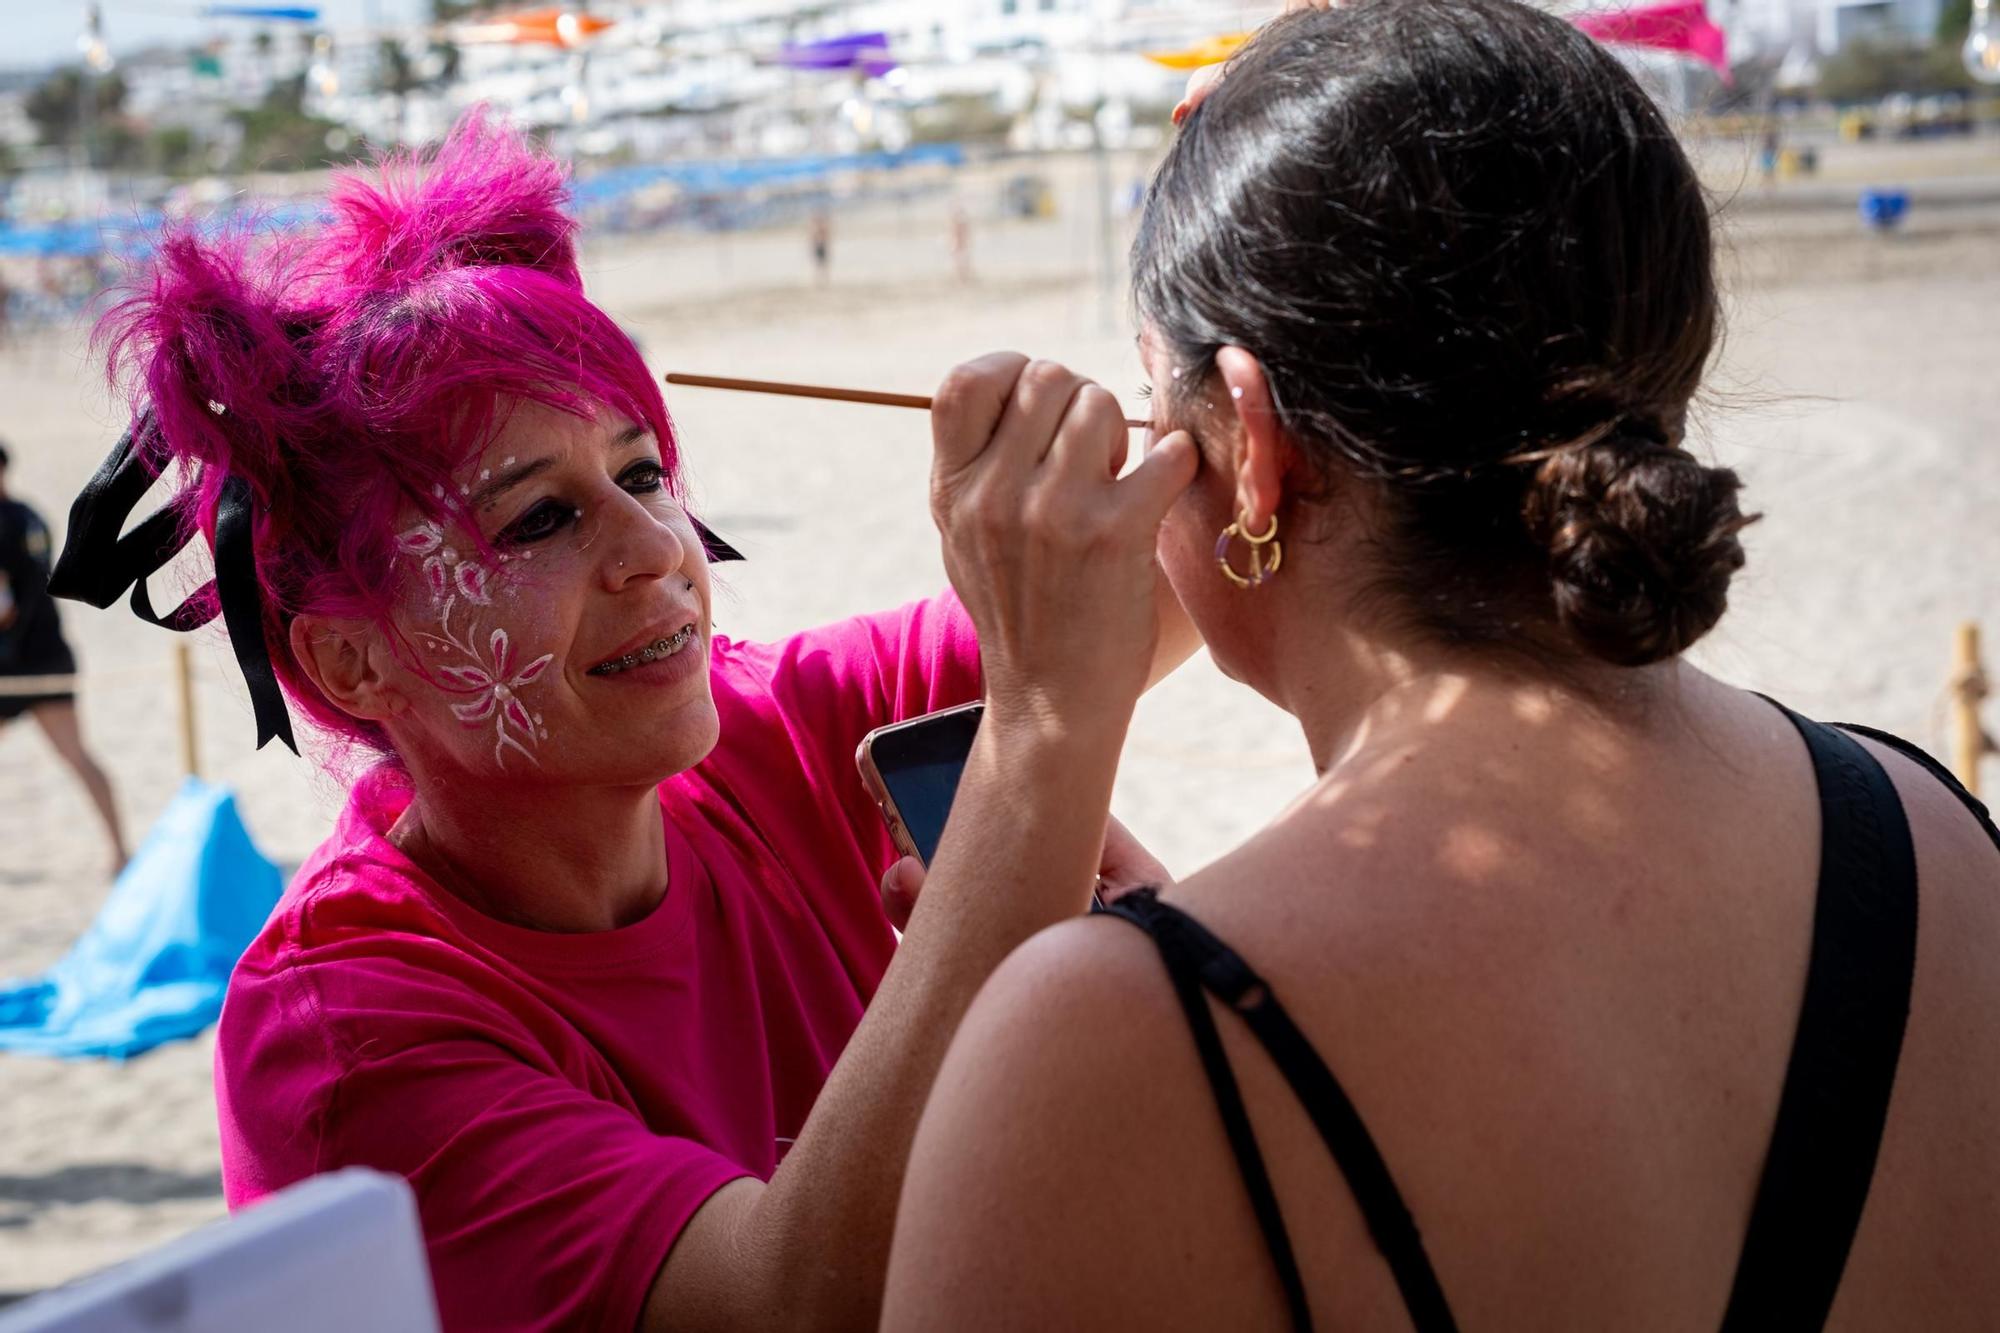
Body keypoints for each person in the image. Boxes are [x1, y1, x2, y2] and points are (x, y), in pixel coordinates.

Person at [882, 2, 2000, 1328]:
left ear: (1249, 438)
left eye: (1149, 401)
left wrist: (1133, 971)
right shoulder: (1934, 831)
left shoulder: (1116, 1054)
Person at [66, 112, 1196, 1331]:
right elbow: (788, 1299)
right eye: (540, 520)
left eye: (642, 472)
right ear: (349, 662)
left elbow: (1208, 551)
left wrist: (1264, 210)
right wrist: (1038, 739)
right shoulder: (348, 1033)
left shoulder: (780, 731)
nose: (656, 550)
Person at [0, 440, 128, 875]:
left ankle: (119, 849)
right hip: (48, 654)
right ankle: (120, 848)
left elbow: (3, 609)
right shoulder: (29, 515)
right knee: (79, 757)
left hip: (17, 664)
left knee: (77, 757)